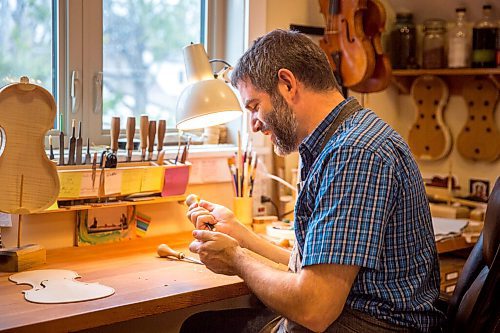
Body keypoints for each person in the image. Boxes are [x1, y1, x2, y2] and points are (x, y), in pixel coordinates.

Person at [182, 29, 444, 333]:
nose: (253, 124)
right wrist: (239, 234)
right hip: (352, 315)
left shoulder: (354, 154)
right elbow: (312, 267)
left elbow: (314, 307)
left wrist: (236, 259)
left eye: (254, 106)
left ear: (288, 84)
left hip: (376, 325)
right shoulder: (333, 143)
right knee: (203, 325)